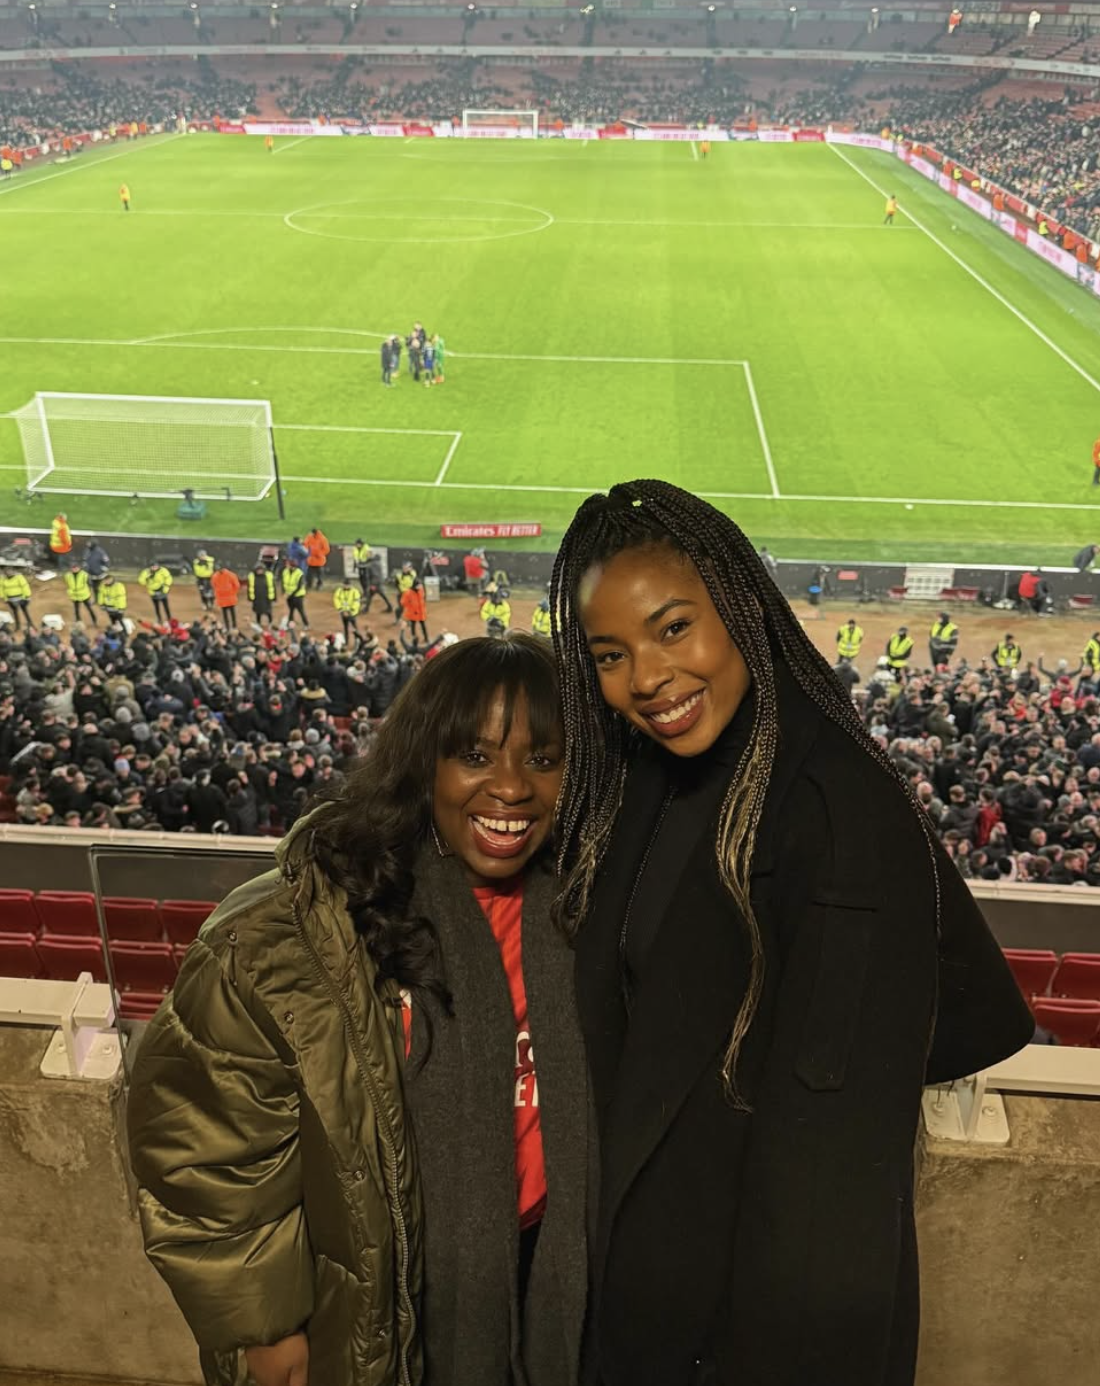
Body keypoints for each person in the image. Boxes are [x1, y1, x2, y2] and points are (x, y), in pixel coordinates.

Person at [548, 480, 1032, 1386]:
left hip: (741, 1340)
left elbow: (828, 1201)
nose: (646, 678)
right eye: (608, 653)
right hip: (646, 1291)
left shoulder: (842, 821)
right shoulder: (659, 771)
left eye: (673, 628)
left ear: (739, 607)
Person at [127, 634, 589, 1386]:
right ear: (421, 761)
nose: (510, 788)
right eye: (474, 755)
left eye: (543, 759)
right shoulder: (290, 933)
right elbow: (203, 1148)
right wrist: (264, 1324)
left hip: (550, 1283)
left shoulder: (594, 906)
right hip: (373, 1303)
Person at [65, 561, 96, 626]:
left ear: (79, 568)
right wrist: (70, 592)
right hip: (74, 595)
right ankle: (78, 621)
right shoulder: (67, 575)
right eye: (73, 568)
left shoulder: (85, 575)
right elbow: (68, 585)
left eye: (76, 567)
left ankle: (94, 620)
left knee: (89, 608)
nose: (74, 569)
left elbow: (90, 585)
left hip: (84, 595)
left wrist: (90, 594)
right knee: (76, 610)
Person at [211, 563, 240, 631]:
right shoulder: (217, 576)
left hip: (228, 598)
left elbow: (236, 585)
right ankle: (231, 626)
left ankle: (232, 626)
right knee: (227, 613)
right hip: (225, 598)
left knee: (230, 613)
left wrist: (232, 593)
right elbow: (214, 585)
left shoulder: (230, 575)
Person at [401, 576, 429, 644]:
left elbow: (423, 598)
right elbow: (403, 602)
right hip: (413, 613)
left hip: (421, 612)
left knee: (423, 626)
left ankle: (426, 638)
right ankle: (414, 639)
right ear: (415, 585)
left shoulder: (421, 590)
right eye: (419, 585)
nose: (420, 587)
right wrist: (410, 605)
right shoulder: (408, 593)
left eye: (421, 585)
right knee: (413, 626)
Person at [333, 577, 362, 643]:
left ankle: (357, 641)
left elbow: (356, 601)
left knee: (354, 628)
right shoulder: (339, 591)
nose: (346, 586)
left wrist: (350, 611)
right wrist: (340, 609)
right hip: (343, 612)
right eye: (344, 585)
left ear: (350, 585)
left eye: (347, 585)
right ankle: (346, 641)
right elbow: (336, 599)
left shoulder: (355, 591)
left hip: (352, 613)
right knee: (345, 627)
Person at [282, 560, 308, 627]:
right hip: (289, 595)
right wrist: (284, 592)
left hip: (298, 595)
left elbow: (299, 586)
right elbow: (283, 583)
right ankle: (290, 624)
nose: (286, 566)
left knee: (300, 610)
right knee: (291, 610)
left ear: (292, 566)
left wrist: (290, 595)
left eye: (288, 564)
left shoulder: (299, 573)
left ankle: (306, 624)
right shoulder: (285, 571)